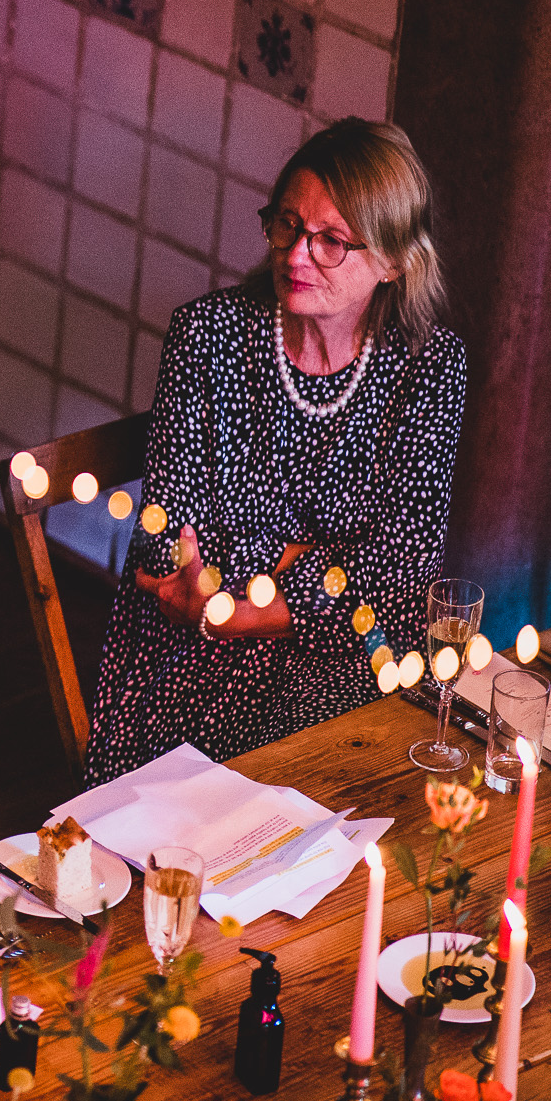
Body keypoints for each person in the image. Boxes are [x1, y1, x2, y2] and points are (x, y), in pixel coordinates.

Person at [85, 118, 468, 783]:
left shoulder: (428, 365)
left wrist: (240, 599)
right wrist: (324, 571)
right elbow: (163, 547)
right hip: (197, 668)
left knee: (416, 791)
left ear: (395, 259)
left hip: (356, 664)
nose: (295, 256)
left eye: (331, 242)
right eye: (287, 225)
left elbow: (405, 572)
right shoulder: (209, 336)